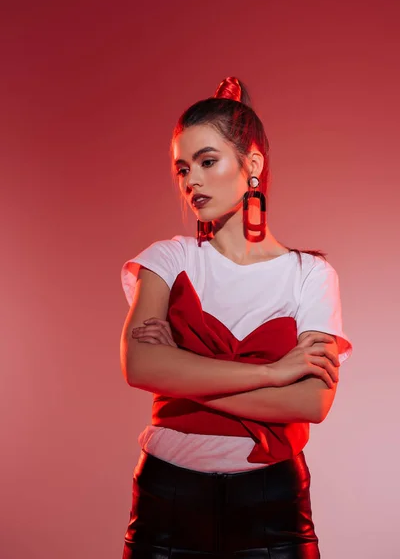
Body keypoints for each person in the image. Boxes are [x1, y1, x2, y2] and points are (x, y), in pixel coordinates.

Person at [119, 76, 353, 559]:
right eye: (182, 169)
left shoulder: (310, 274)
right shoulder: (168, 259)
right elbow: (139, 367)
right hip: (168, 498)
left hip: (273, 504)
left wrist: (182, 372)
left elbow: (311, 402)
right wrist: (273, 372)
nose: (191, 181)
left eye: (207, 162)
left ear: (252, 165)